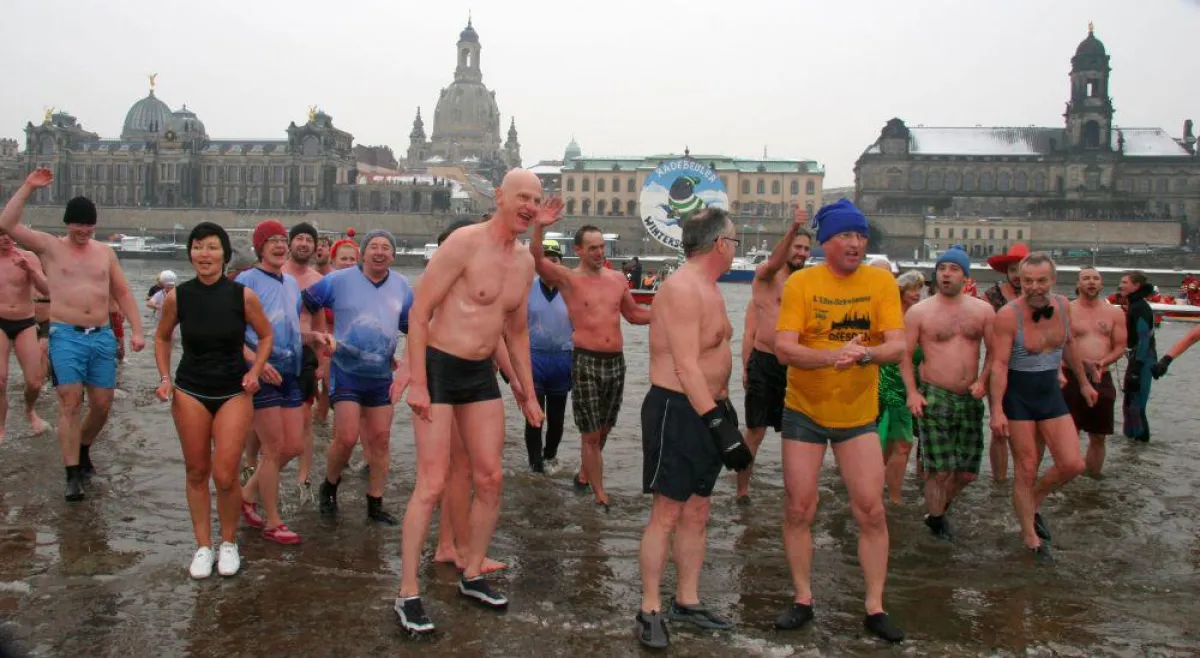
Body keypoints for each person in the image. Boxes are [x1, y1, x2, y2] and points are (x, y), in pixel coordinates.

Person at [394, 169, 542, 635]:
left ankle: (473, 572)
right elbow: (419, 312)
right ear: (499, 197)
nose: (529, 206)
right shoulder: (462, 242)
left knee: (491, 476)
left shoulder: (525, 263)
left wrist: (527, 393)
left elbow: (515, 333)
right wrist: (417, 381)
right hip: (439, 367)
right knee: (432, 482)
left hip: (480, 374)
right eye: (522, 196)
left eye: (536, 201)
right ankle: (407, 592)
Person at [772, 198, 906, 642]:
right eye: (846, 235)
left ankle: (874, 606)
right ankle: (803, 598)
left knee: (871, 510)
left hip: (858, 415)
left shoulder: (880, 282)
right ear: (826, 241)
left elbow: (898, 347)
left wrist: (865, 353)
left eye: (861, 235)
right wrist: (834, 357)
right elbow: (784, 348)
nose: (855, 243)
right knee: (799, 508)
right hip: (805, 412)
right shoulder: (803, 284)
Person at [634, 208, 751, 649]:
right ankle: (649, 608)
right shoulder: (683, 288)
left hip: (710, 408)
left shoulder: (710, 288)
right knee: (666, 512)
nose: (736, 248)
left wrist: (724, 412)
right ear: (720, 244)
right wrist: (720, 425)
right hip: (678, 410)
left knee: (698, 510)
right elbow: (685, 365)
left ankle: (687, 599)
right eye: (735, 241)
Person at [0, 169, 145, 501]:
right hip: (66, 335)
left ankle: (82, 448)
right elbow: (7, 224)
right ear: (68, 223)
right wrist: (28, 187)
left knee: (103, 404)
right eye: (79, 225)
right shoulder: (49, 247)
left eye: (90, 226)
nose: (85, 231)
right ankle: (71, 475)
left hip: (102, 335)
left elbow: (122, 292)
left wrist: (137, 330)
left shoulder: (104, 253)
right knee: (69, 402)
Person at [154, 222, 274, 578]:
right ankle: (203, 546)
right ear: (190, 253)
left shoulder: (241, 296)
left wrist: (256, 371)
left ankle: (229, 542)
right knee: (196, 471)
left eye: (211, 247)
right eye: (198, 247)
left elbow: (266, 336)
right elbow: (162, 338)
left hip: (234, 391)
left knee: (224, 473)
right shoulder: (179, 297)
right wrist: (163, 377)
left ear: (224, 254)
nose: (204, 254)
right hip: (190, 390)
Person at [529, 203, 652, 510]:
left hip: (616, 362)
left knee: (605, 429)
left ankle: (585, 475)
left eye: (602, 247)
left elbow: (635, 315)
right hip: (584, 359)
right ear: (579, 251)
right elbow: (535, 259)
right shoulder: (568, 279)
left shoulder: (616, 279)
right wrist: (540, 226)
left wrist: (667, 311)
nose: (599, 253)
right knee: (590, 434)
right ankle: (600, 494)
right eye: (593, 248)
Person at [989, 252, 1094, 561]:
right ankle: (1030, 536)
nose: (1034, 287)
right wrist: (996, 410)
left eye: (1041, 281)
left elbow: (1070, 345)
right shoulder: (1009, 315)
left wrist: (1084, 382)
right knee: (1027, 466)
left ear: (1053, 281)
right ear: (1019, 281)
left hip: (1050, 393)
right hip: (1019, 396)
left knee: (1073, 464)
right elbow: (998, 364)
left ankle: (1034, 499)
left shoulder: (1062, 306)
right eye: (1027, 281)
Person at [309, 229, 413, 524]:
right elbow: (307, 304)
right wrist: (321, 337)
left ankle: (375, 503)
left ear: (393, 255)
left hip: (381, 374)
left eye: (386, 248)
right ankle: (329, 486)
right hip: (346, 371)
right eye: (374, 247)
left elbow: (413, 327)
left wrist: (408, 364)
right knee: (346, 437)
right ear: (363, 253)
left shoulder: (402, 285)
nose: (380, 252)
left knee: (380, 439)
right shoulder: (339, 280)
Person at [902, 248, 995, 539]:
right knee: (939, 469)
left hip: (970, 396)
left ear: (966, 277)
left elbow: (995, 352)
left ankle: (937, 512)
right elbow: (904, 355)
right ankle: (938, 521)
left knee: (966, 472)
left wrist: (983, 380)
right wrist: (912, 393)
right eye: (942, 268)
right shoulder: (920, 312)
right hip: (934, 393)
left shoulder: (982, 310)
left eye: (954, 269)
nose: (946, 273)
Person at [236, 219, 315, 545]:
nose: (281, 245)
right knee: (273, 449)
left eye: (283, 240)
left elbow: (291, 328)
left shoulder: (291, 284)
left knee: (294, 446)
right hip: (261, 373)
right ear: (260, 246)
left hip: (290, 371)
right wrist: (256, 363)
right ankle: (273, 521)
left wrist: (316, 337)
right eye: (273, 241)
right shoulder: (246, 281)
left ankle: (246, 493)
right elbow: (231, 333)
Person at [739, 207, 812, 501]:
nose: (802, 253)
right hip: (765, 362)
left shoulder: (807, 283)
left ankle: (795, 492)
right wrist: (794, 228)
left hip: (796, 366)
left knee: (797, 435)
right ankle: (742, 492)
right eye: (798, 247)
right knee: (755, 431)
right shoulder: (767, 277)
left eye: (807, 249)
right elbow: (772, 262)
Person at [1064, 268, 1126, 475]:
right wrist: (1079, 363)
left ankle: (1092, 478)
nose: (1091, 282)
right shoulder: (1066, 310)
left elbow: (1119, 347)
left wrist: (1101, 362)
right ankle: (1068, 474)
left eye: (1095, 279)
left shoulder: (1115, 312)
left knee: (1099, 435)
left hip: (1101, 376)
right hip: (1071, 376)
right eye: (1086, 278)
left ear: (1101, 284)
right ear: (1078, 283)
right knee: (1069, 431)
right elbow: (1057, 344)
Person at [282, 222, 325, 501]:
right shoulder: (275, 273)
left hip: (305, 352)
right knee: (262, 419)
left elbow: (320, 321)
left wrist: (321, 360)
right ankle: (252, 463)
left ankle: (303, 478)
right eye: (299, 238)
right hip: (274, 351)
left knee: (304, 419)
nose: (304, 244)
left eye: (309, 239)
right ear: (289, 243)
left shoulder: (318, 281)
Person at [980, 242, 1030, 482]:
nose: (1018, 275)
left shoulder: (1041, 296)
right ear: (1006, 272)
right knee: (999, 428)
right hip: (998, 366)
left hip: (1030, 368)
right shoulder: (992, 296)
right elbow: (988, 340)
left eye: (1022, 269)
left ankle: (1023, 479)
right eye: (1013, 270)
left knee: (1027, 429)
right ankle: (999, 482)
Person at [524, 239, 574, 474]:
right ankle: (535, 466)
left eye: (554, 260)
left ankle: (550, 456)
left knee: (557, 421)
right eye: (544, 260)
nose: (550, 265)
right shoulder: (525, 289)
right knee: (534, 418)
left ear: (561, 263)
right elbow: (511, 328)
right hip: (534, 359)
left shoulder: (572, 290)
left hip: (563, 361)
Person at [877, 269, 924, 505]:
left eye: (920, 289)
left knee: (890, 442)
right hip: (890, 383)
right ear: (901, 291)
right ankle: (894, 497)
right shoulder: (891, 316)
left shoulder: (919, 318)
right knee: (903, 442)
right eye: (912, 289)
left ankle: (879, 489)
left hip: (909, 386)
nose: (917, 294)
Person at [0, 228, 51, 441]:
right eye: (1, 235)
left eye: (8, 235)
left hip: (25, 322)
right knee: (0, 380)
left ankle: (30, 410)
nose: (5, 239)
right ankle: (1, 426)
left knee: (34, 382)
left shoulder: (27, 257)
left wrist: (31, 270)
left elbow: (47, 289)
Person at [313, 238, 359, 425]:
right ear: (333, 261)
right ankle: (321, 434)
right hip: (327, 347)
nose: (348, 263)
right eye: (344, 259)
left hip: (354, 349)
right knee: (327, 394)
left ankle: (333, 439)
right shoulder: (325, 286)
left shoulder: (363, 288)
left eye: (352, 259)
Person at [1118, 271, 1156, 442]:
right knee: (1127, 405)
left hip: (1144, 359)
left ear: (1136, 286)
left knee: (1136, 407)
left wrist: (1136, 368)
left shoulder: (1140, 306)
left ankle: (1141, 447)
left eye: (1125, 282)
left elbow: (1144, 338)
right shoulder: (1133, 305)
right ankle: (1129, 451)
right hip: (1137, 358)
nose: (1121, 285)